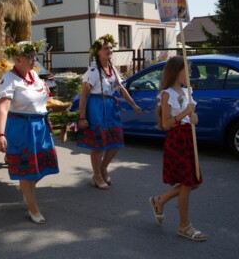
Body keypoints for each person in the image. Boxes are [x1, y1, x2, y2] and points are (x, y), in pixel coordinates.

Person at [0, 40, 59, 224]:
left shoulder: (34, 75)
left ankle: (25, 188)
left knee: (42, 165)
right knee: (26, 171)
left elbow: (40, 99)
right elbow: (2, 108)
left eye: (34, 56)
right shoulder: (9, 79)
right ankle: (33, 208)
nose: (34, 59)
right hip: (21, 128)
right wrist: (0, 135)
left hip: (39, 126)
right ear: (17, 59)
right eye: (29, 56)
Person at [149, 56, 206, 241]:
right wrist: (184, 113)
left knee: (194, 182)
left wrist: (193, 120)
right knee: (187, 183)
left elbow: (190, 117)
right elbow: (165, 124)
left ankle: (160, 200)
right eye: (186, 70)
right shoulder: (167, 94)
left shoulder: (187, 91)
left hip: (189, 138)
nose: (189, 73)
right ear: (176, 72)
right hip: (176, 141)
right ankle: (184, 226)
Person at [77, 34, 142, 190]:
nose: (109, 50)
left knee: (116, 140)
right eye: (105, 48)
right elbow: (84, 95)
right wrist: (82, 117)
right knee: (99, 144)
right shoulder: (92, 71)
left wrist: (133, 105)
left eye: (110, 48)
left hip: (110, 106)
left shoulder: (112, 69)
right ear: (98, 52)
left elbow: (120, 89)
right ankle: (97, 175)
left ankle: (103, 168)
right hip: (96, 106)